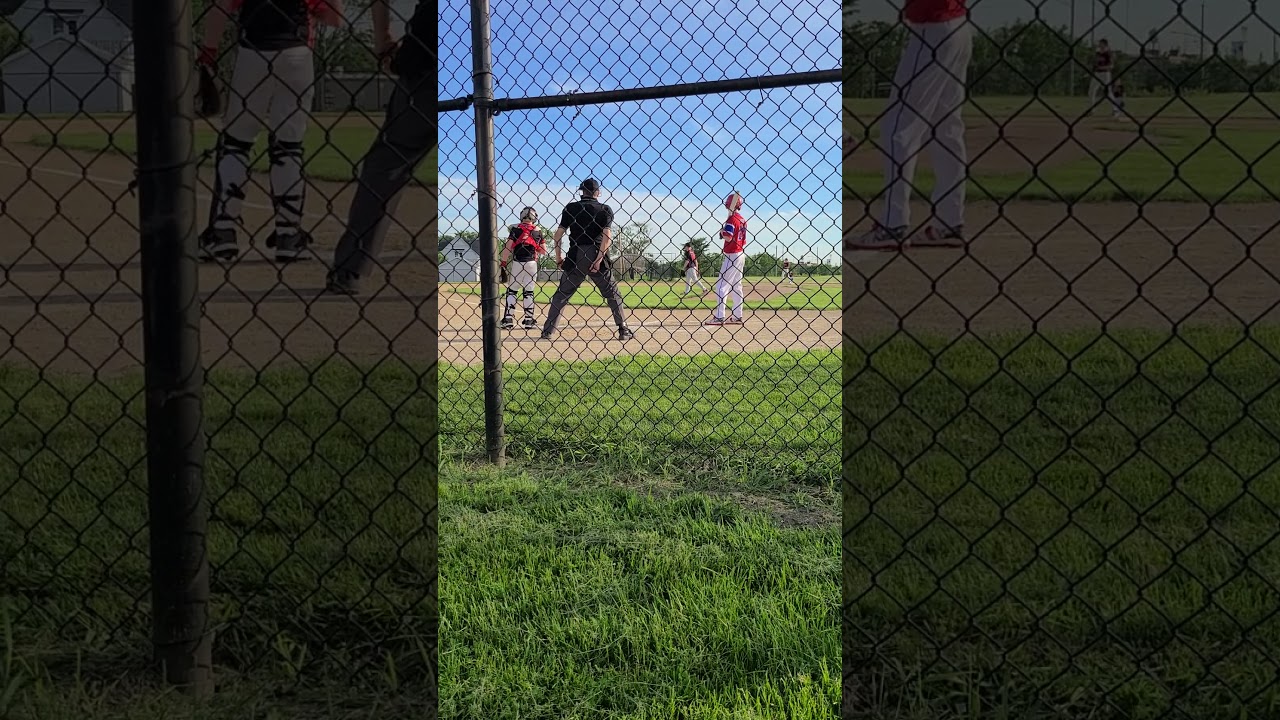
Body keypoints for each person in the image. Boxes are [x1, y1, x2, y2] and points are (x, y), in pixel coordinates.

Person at [196, 0, 344, 263]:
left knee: (237, 141)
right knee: (289, 144)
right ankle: (288, 235)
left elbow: (220, 7)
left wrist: (209, 53)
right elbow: (334, 18)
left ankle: (222, 233)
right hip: (297, 55)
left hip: (252, 52)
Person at [325, 0, 433, 295]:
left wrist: (383, 37)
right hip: (482, 64)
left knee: (388, 163)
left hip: (427, 59)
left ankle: (351, 267)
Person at [847, 0, 971, 252]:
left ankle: (893, 225)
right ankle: (949, 222)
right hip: (958, 26)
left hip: (932, 29)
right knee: (946, 130)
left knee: (898, 129)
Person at [540, 179, 634, 341]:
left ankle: (548, 331)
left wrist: (558, 257)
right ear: (597, 193)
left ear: (581, 191)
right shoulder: (604, 209)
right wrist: (598, 259)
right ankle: (623, 329)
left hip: (575, 254)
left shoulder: (571, 208)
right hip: (596, 252)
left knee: (562, 293)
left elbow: (558, 235)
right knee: (612, 293)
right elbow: (607, 237)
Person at [705, 191, 747, 326]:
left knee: (721, 285)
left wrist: (721, 232)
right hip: (740, 253)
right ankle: (737, 315)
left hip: (732, 255)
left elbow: (728, 236)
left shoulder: (731, 219)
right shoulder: (742, 220)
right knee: (736, 286)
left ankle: (719, 316)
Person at [500, 207, 546, 330]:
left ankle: (508, 320)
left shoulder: (516, 229)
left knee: (512, 290)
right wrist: (533, 244)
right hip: (531, 263)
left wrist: (503, 262)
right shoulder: (538, 231)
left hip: (517, 263)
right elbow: (543, 251)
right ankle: (528, 320)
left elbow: (508, 248)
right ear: (535, 217)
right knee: (529, 292)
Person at [1090, 39, 1116, 116]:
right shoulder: (1097, 53)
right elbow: (1095, 63)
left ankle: (1115, 109)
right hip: (1096, 74)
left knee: (1108, 92)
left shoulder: (1108, 54)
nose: (1099, 45)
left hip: (1105, 74)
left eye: (1101, 43)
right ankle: (1092, 110)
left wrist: (1102, 68)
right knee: (1091, 91)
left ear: (1105, 44)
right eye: (1099, 43)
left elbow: (1111, 66)